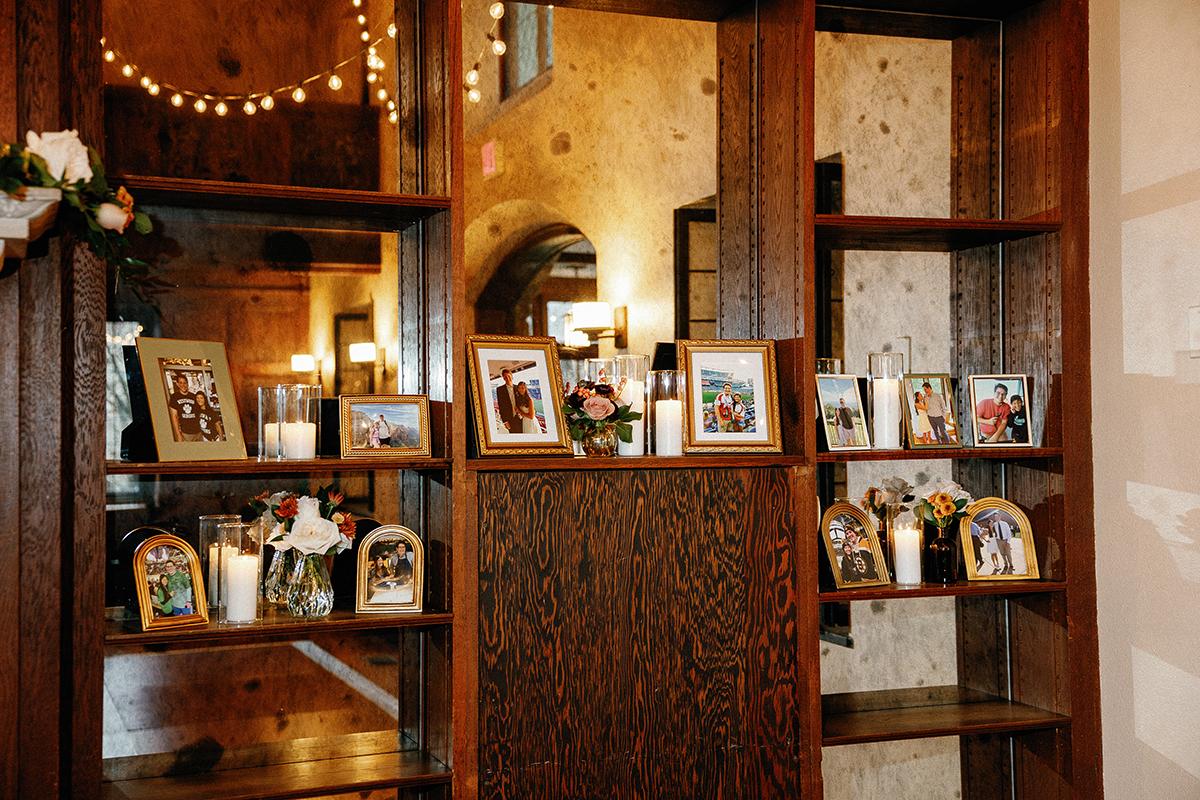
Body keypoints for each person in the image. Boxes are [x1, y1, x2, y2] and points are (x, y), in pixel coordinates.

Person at [167, 373, 203, 442]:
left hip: (198, 431)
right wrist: (178, 435)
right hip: (186, 433)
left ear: (187, 383)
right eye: (180, 383)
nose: (183, 385)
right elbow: (174, 417)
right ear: (177, 384)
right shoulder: (174, 397)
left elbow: (199, 411)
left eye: (185, 383)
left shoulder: (193, 396)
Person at [495, 368, 520, 433]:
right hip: (509, 419)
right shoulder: (499, 389)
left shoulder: (518, 388)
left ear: (512, 376)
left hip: (520, 417)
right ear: (503, 378)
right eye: (505, 377)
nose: (507, 378)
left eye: (508, 376)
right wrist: (505, 421)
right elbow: (501, 406)